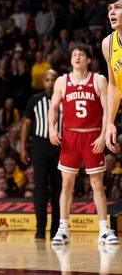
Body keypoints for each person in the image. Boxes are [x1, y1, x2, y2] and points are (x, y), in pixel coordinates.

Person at [48, 44, 118, 246]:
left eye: (81, 54)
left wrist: (103, 134)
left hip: (92, 137)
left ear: (89, 60)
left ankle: (104, 229)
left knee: (97, 185)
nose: (77, 57)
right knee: (67, 185)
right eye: (74, 55)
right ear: (70, 60)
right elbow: (53, 107)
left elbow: (107, 109)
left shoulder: (99, 80)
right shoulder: (62, 81)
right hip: (70, 138)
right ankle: (63, 229)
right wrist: (52, 129)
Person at [20, 69, 61, 240]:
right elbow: (26, 125)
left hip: (60, 146)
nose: (50, 83)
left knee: (59, 189)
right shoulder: (34, 100)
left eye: (54, 80)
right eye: (47, 80)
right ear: (43, 82)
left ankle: (57, 229)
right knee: (41, 188)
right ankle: (40, 228)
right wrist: (23, 148)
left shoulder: (65, 99)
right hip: (40, 146)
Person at [103, 0, 122, 154]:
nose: (112, 13)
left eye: (117, 8)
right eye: (110, 9)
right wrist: (110, 122)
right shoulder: (108, 44)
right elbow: (114, 85)